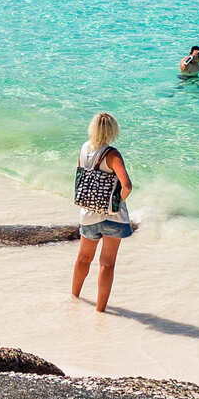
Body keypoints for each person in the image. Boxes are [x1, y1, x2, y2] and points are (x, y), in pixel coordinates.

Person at [70, 112, 136, 313]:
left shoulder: (84, 148)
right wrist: (116, 202)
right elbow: (127, 186)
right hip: (113, 218)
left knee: (83, 258)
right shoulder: (112, 154)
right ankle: (100, 311)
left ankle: (74, 298)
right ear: (113, 130)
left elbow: (82, 178)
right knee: (107, 264)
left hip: (89, 214)